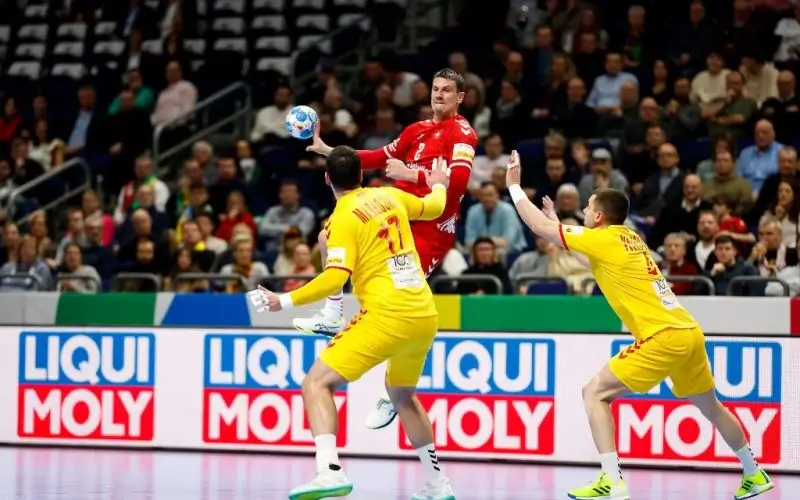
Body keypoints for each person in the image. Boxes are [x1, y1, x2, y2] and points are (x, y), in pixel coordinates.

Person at [503, 151, 774, 500]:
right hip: (688, 331)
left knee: (594, 393)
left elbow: (539, 229)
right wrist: (557, 223)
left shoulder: (603, 237)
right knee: (712, 407)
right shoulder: (629, 238)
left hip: (662, 335)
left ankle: (612, 481)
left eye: (587, 207)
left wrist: (514, 188)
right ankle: (754, 473)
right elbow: (586, 256)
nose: (583, 211)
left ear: (598, 216)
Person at [248, 146, 456, 500]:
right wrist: (438, 183)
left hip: (387, 315)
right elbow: (435, 207)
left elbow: (335, 278)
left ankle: (329, 471)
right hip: (424, 314)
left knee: (315, 383)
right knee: (402, 395)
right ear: (361, 175)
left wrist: (282, 301)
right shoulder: (390, 196)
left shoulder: (342, 218)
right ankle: (437, 485)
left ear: (327, 179)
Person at [298, 68, 479, 430]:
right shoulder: (416, 130)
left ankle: (392, 392)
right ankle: (332, 313)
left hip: (430, 228)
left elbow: (457, 184)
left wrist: (410, 175)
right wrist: (328, 151)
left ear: (460, 97)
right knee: (325, 239)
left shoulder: (463, 134)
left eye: (447, 90)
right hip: (397, 218)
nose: (439, 94)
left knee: (402, 308)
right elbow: (377, 157)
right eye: (435, 88)